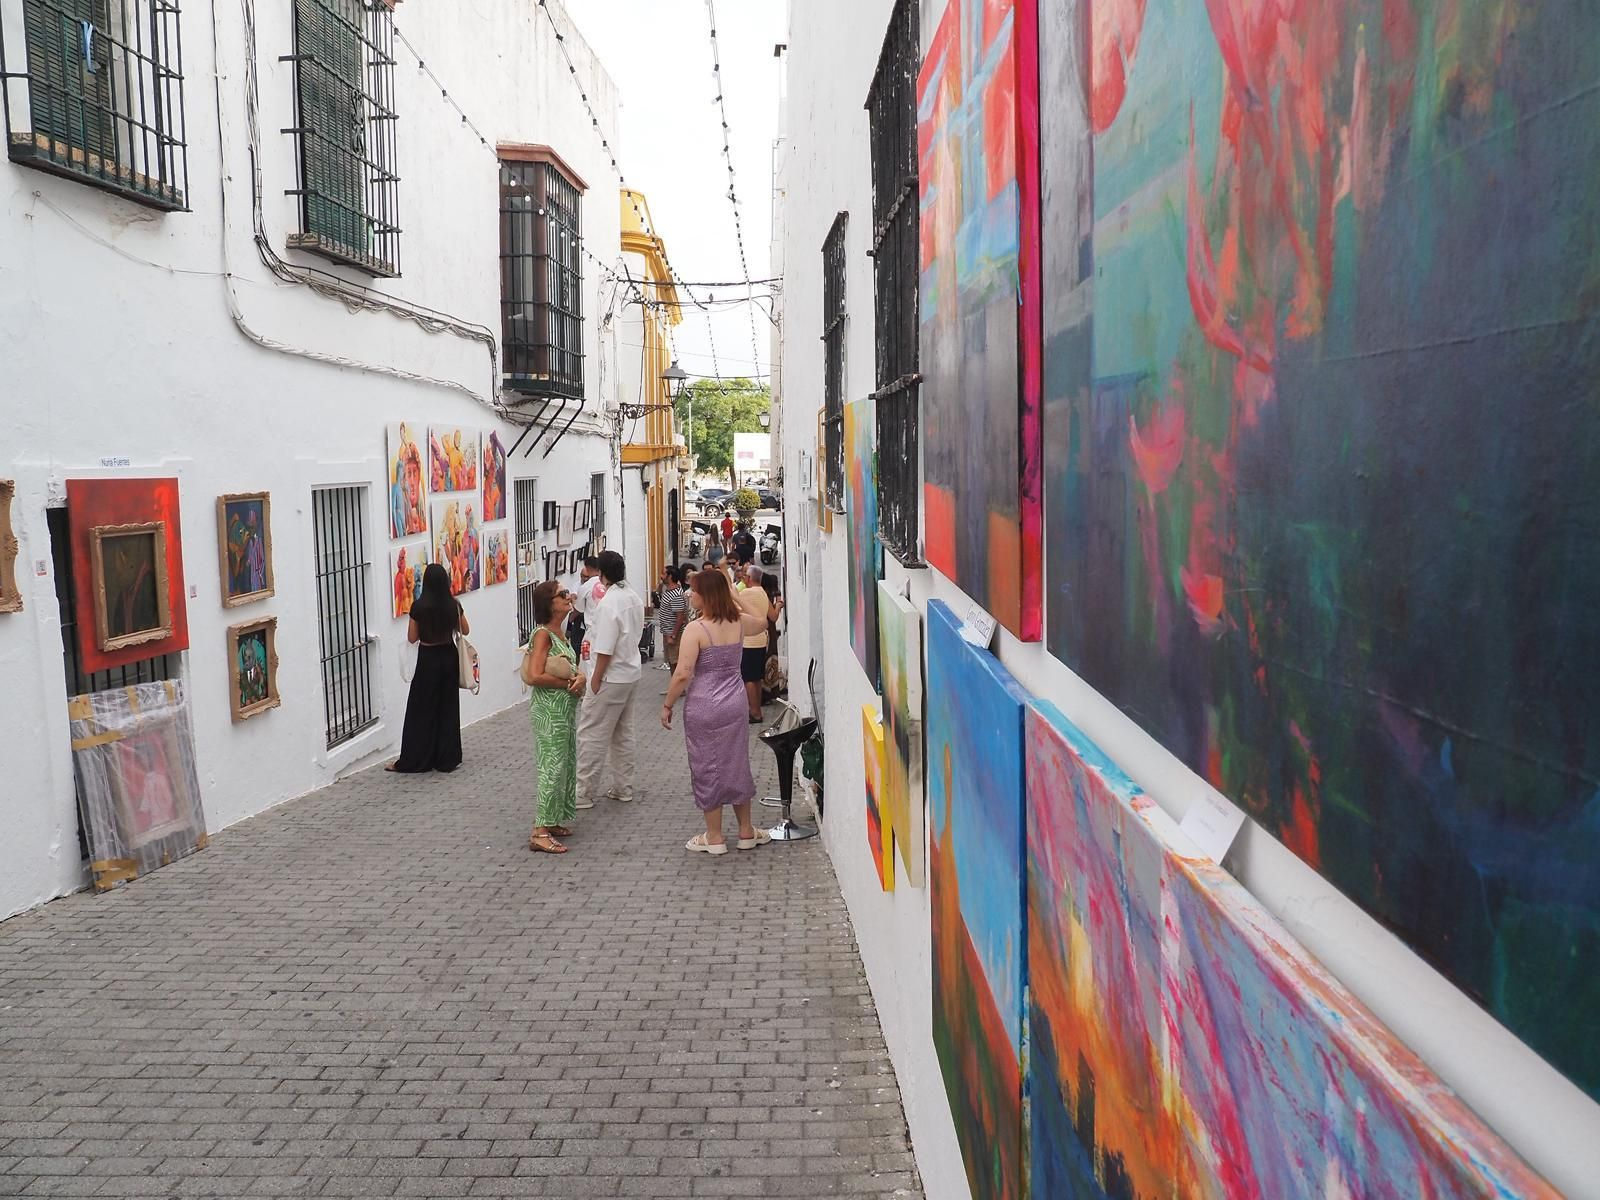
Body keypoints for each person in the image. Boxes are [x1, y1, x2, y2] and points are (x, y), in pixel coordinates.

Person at [661, 568, 773, 854]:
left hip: (704, 704)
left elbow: (683, 673)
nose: (690, 594)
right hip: (734, 702)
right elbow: (763, 622)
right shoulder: (737, 622)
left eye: (694, 590)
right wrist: (738, 598)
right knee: (736, 761)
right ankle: (746, 831)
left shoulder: (696, 629)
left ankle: (714, 836)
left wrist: (668, 704)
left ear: (706, 596)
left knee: (706, 764)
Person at [575, 551, 646, 809]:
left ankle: (583, 792)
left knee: (592, 733)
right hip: (630, 672)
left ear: (601, 573)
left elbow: (604, 647)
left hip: (610, 675)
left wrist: (595, 679)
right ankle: (622, 786)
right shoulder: (633, 596)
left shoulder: (609, 603)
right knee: (622, 733)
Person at [523, 581, 587, 854]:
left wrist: (580, 677)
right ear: (548, 603)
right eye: (561, 595)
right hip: (550, 711)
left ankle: (553, 819)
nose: (568, 597)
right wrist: (567, 685)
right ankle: (540, 830)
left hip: (564, 710)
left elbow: (570, 667)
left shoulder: (559, 632)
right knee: (552, 766)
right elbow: (536, 675)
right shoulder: (543, 635)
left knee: (565, 764)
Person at [389, 563, 467, 773]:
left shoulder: (419, 607)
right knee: (448, 707)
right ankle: (446, 758)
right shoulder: (454, 605)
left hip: (428, 658)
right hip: (448, 657)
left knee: (421, 710)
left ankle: (418, 759)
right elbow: (465, 630)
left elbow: (412, 637)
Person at [735, 564, 771, 722]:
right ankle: (757, 710)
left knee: (748, 678)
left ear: (749, 578)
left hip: (748, 640)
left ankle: (754, 711)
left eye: (744, 576)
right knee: (756, 678)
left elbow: (735, 607)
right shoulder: (763, 593)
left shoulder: (747, 593)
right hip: (761, 639)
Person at [568, 555, 604, 661]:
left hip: (591, 633)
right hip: (606, 629)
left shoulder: (586, 587)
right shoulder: (606, 583)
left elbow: (578, 609)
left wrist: (570, 620)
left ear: (587, 568)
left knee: (587, 660)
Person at [655, 565, 689, 672]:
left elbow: (680, 617)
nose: (661, 576)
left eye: (663, 574)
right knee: (671, 661)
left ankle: (678, 688)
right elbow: (657, 594)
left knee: (675, 663)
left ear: (670, 576)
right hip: (667, 633)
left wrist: (673, 635)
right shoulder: (668, 591)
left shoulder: (676, 595)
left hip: (674, 634)